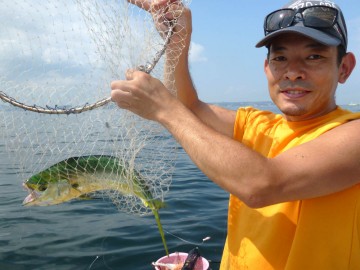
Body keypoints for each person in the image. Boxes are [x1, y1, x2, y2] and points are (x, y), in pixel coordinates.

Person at [111, 0, 360, 268]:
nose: (293, 72)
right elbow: (188, 109)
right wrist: (177, 40)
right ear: (267, 69)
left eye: (314, 57)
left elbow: (263, 185)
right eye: (280, 58)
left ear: (344, 68)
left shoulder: (353, 134)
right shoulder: (257, 124)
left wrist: (164, 110)